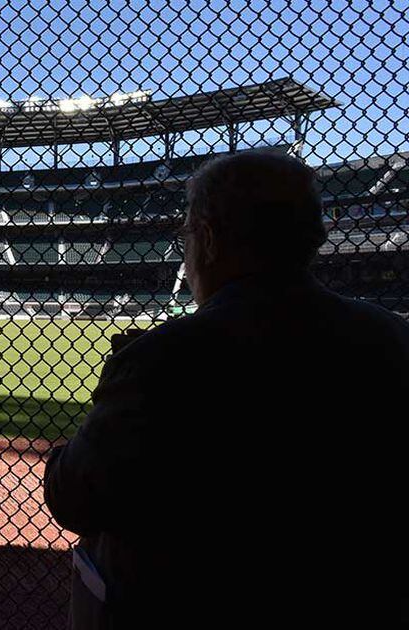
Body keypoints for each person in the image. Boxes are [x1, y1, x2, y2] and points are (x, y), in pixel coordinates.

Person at [44, 152, 409, 628]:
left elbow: (77, 497)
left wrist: (85, 429)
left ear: (210, 240)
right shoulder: (393, 338)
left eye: (186, 235)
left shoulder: (166, 357)